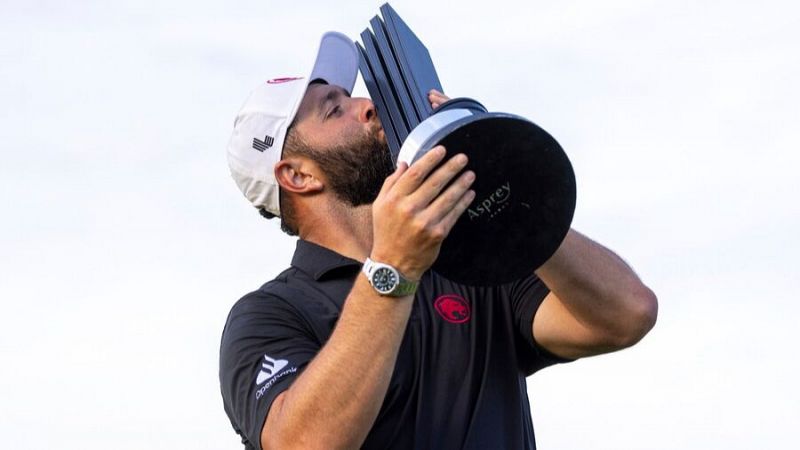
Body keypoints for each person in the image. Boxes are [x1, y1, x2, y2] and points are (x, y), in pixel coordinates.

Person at [220, 32, 658, 450]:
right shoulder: (268, 316)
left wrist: (500, 179)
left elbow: (627, 314)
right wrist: (393, 268)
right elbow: (303, 443)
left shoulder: (470, 259)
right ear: (298, 175)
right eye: (334, 110)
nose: (368, 106)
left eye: (351, 96)